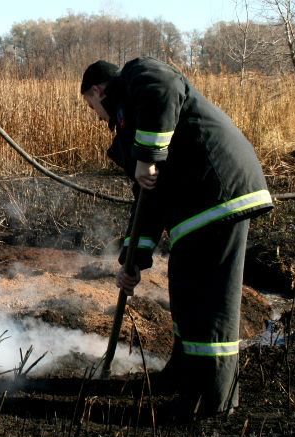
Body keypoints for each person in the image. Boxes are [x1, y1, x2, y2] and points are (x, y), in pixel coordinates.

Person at [80, 57, 274, 417]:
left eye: (91, 106)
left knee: (211, 302)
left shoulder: (138, 75)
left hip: (220, 193)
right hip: (197, 209)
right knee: (185, 290)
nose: (96, 116)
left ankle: (212, 399)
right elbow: (147, 202)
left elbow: (165, 88)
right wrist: (133, 262)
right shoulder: (130, 128)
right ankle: (184, 376)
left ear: (97, 90)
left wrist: (148, 155)